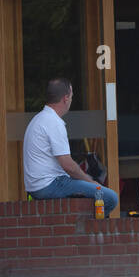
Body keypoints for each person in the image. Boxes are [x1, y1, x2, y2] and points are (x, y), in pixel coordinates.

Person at [23, 79, 118, 215]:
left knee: (91, 192)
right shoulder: (53, 122)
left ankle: (81, 226)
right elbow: (68, 166)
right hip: (50, 185)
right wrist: (92, 182)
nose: (71, 100)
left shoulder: (38, 119)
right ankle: (88, 229)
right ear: (66, 98)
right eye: (72, 96)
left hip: (37, 187)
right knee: (110, 197)